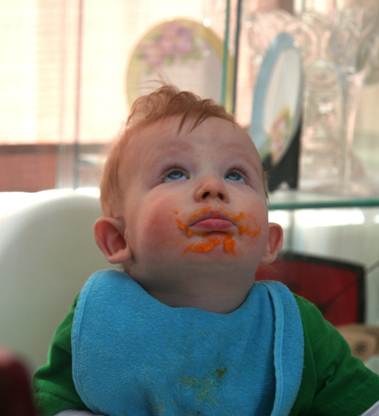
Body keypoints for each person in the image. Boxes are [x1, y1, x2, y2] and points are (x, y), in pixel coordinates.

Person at [33, 85, 379, 416]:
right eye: (174, 174)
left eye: (236, 175)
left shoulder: (294, 329)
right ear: (118, 240)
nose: (213, 187)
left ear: (269, 242)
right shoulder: (102, 317)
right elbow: (48, 402)